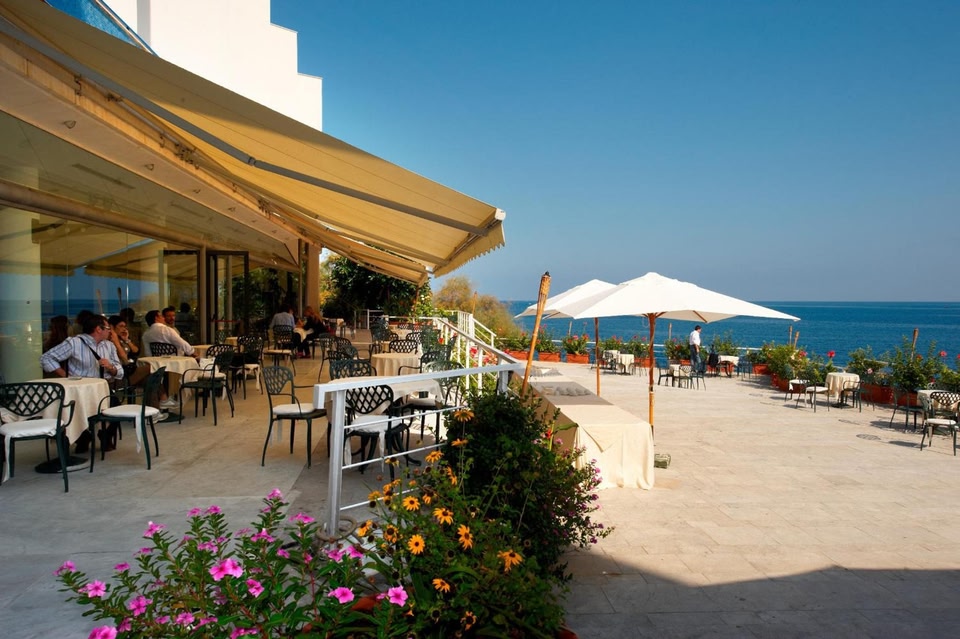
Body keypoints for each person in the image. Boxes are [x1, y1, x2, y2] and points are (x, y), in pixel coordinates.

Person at [40, 313, 125, 453]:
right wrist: (66, 376)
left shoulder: (109, 346)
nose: (110, 331)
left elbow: (120, 372)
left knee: (116, 407)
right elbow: (46, 358)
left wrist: (111, 367)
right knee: (73, 410)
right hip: (78, 390)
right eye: (107, 328)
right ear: (98, 329)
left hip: (101, 389)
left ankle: (105, 435)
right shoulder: (74, 343)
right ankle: (82, 437)